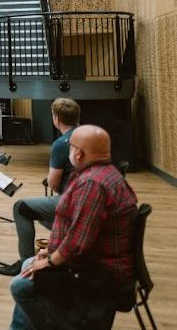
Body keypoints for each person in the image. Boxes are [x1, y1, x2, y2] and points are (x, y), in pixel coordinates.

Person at [8, 125, 137, 330]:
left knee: (19, 286)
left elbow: (78, 243)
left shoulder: (92, 185)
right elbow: (78, 231)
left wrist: (51, 260)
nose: (69, 150)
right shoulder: (104, 172)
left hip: (96, 273)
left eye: (71, 146)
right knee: (28, 267)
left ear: (78, 153)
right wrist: (50, 251)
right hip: (91, 262)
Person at [0, 98, 80, 276]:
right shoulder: (87, 134)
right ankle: (61, 245)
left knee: (21, 208)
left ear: (56, 119)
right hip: (86, 197)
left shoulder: (61, 144)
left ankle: (25, 262)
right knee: (40, 214)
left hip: (72, 200)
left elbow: (53, 182)